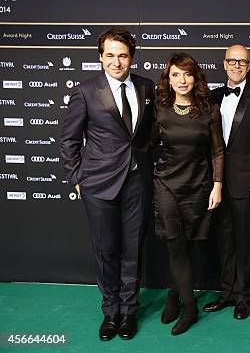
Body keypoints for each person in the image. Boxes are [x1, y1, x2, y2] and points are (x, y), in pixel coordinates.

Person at [60, 27, 155, 341]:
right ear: (101, 58)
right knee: (105, 250)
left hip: (137, 181)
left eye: (123, 55)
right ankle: (110, 312)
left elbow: (149, 133)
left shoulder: (146, 86)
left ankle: (129, 311)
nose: (117, 62)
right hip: (98, 184)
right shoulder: (86, 91)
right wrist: (77, 177)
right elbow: (69, 140)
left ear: (132, 57)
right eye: (110, 55)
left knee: (133, 249)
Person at [151, 53, 223, 335]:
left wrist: (217, 184)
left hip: (199, 186)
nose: (182, 80)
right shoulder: (159, 108)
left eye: (187, 74)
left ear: (196, 77)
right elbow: (144, 143)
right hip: (166, 185)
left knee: (189, 246)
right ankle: (190, 307)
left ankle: (172, 295)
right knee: (174, 244)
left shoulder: (208, 109)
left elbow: (217, 150)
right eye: (175, 75)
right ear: (168, 79)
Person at [204, 45, 250, 320]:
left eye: (242, 62)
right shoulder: (213, 96)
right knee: (224, 240)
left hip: (247, 182)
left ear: (248, 66)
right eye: (232, 61)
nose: (236, 66)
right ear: (224, 64)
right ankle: (227, 292)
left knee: (245, 241)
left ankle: (243, 295)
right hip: (217, 182)